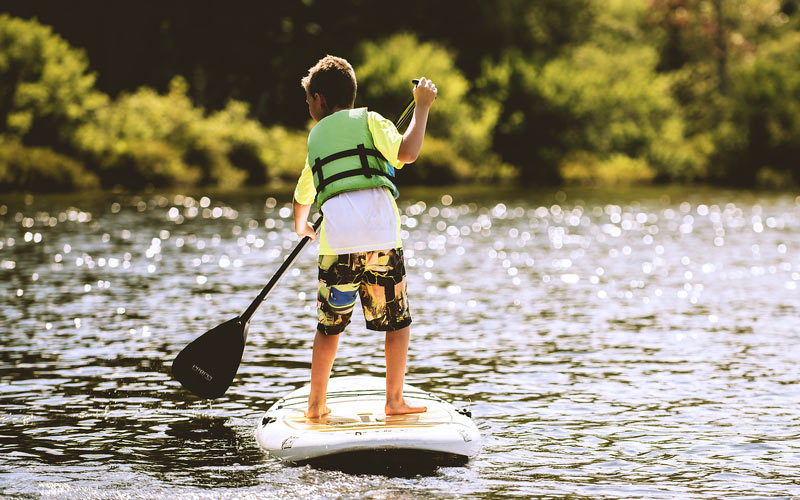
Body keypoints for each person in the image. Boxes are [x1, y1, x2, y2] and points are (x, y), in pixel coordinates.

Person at [292, 55, 437, 419]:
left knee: (329, 328)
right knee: (397, 323)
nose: (308, 105)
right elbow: (408, 151)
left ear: (321, 99)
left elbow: (303, 195)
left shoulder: (315, 138)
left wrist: (301, 226)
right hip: (382, 240)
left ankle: (315, 406)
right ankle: (394, 401)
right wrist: (422, 108)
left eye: (309, 99)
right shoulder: (371, 121)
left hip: (338, 244)